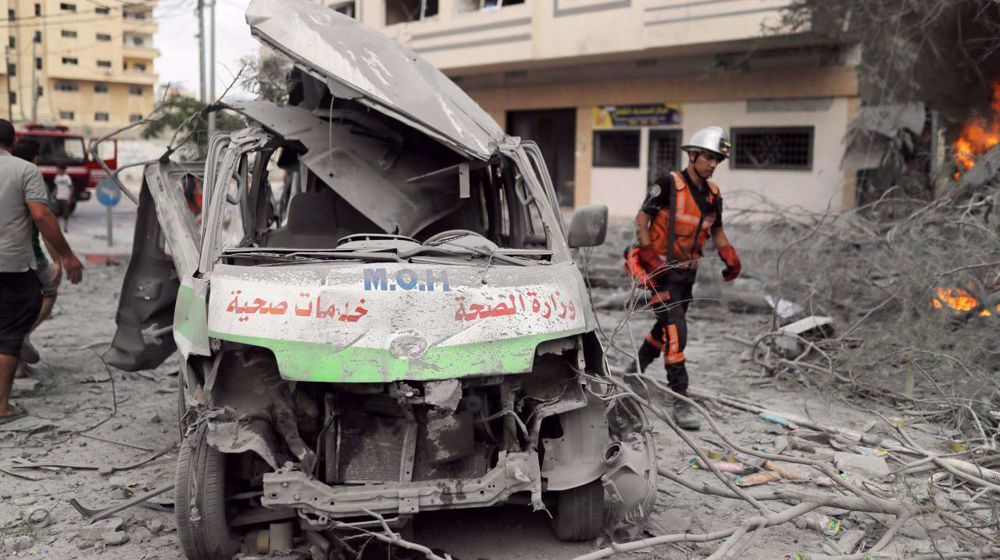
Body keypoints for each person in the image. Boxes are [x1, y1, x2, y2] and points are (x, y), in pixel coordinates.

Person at [627, 126, 742, 430]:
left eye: (718, 160)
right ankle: (681, 399)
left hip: (686, 276)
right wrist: (649, 255)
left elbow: (716, 229)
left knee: (664, 328)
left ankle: (632, 370)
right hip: (660, 273)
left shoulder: (713, 195)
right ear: (693, 155)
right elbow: (642, 219)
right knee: (677, 333)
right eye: (708, 157)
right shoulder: (668, 183)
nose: (713, 164)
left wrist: (728, 253)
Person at [0, 119, 83, 423]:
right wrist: (67, 255)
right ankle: (2, 407)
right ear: (13, 141)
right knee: (10, 333)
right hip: (11, 264)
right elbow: (41, 217)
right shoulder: (25, 171)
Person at [11, 138, 61, 375]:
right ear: (36, 157)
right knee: (49, 290)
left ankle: (19, 359)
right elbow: (43, 221)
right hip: (28, 255)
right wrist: (61, 259)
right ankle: (24, 335)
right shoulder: (30, 176)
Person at [53, 164, 73, 232]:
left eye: (58, 169)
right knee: (56, 213)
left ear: (62, 169)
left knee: (65, 214)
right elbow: (56, 187)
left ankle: (65, 227)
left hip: (65, 198)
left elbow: (71, 188)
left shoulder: (67, 178)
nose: (57, 170)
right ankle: (57, 227)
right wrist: (53, 194)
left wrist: (69, 198)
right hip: (58, 197)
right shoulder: (57, 177)